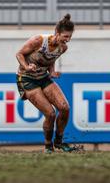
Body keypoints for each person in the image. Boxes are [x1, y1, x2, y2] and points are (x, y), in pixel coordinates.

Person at [15, 14, 76, 153]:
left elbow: (51, 58)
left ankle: (59, 142)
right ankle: (48, 146)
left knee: (65, 108)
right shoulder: (38, 40)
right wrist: (26, 66)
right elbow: (19, 54)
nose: (68, 40)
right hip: (26, 78)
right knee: (50, 113)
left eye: (70, 37)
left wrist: (52, 71)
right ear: (57, 33)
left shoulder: (63, 48)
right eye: (65, 37)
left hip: (43, 77)